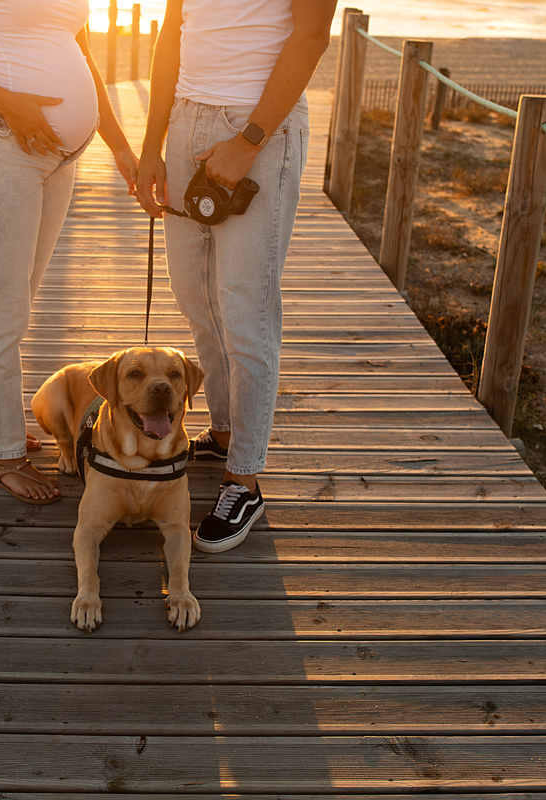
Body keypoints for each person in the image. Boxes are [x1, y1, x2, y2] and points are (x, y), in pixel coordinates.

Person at [0, 0, 137, 504]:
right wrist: (11, 103)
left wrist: (119, 146)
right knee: (3, 306)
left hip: (59, 158)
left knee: (11, 295)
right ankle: (5, 455)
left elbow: (79, 52)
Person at [135, 0, 335, 550]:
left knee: (247, 309)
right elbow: (172, 31)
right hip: (186, 118)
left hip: (258, 124)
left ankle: (244, 477)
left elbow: (311, 36)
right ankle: (224, 430)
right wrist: (152, 143)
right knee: (194, 295)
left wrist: (249, 141)